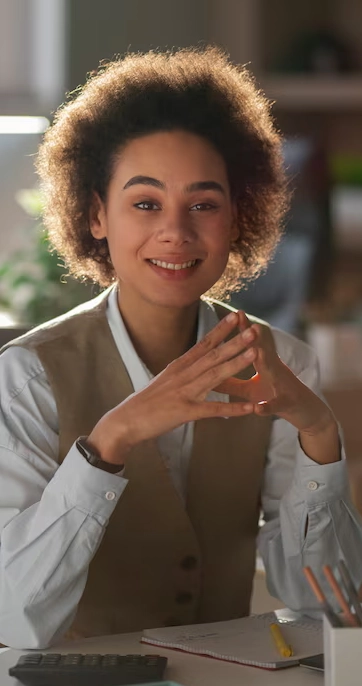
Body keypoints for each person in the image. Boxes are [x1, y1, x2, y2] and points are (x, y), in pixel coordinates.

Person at [0, 46, 361, 650]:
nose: (176, 231)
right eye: (145, 203)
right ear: (96, 215)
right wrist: (110, 443)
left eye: (203, 204)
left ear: (237, 217)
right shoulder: (26, 377)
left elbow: (327, 607)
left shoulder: (284, 365)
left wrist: (320, 434)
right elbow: (11, 620)